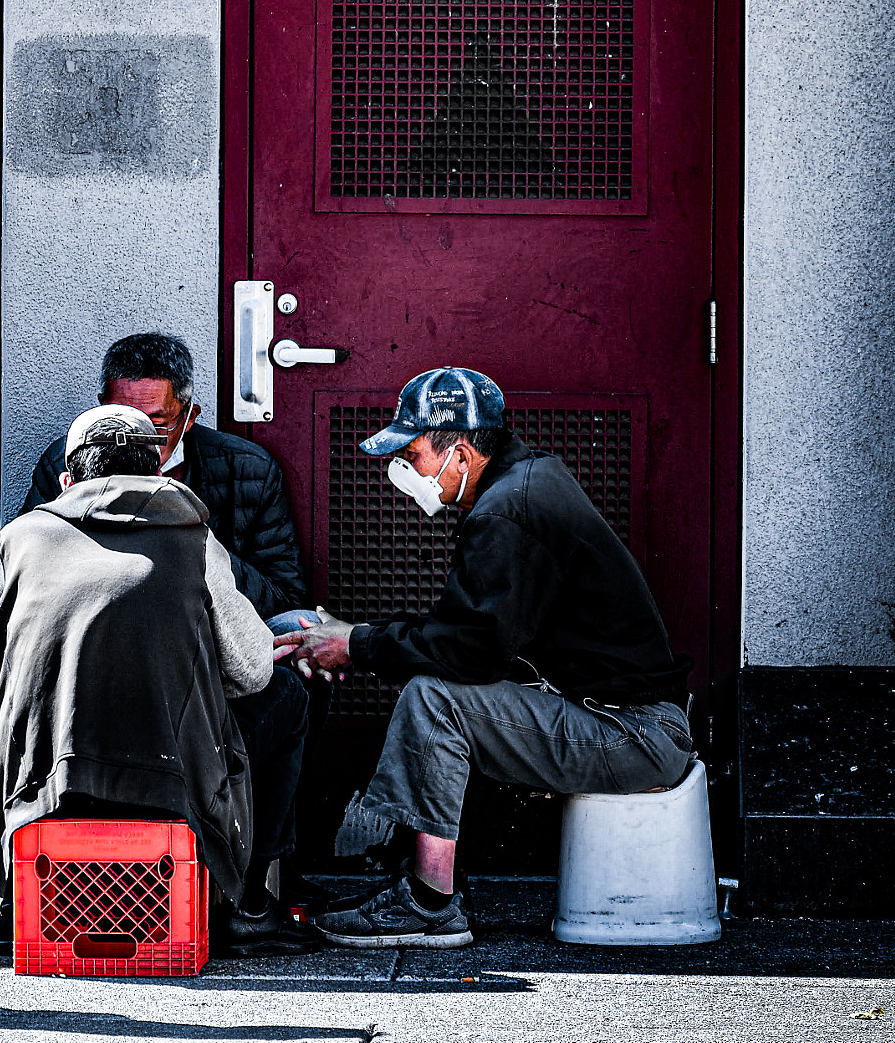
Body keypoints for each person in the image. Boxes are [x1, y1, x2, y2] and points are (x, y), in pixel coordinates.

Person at [274, 367, 694, 950]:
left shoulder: (505, 513)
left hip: (633, 735)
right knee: (433, 684)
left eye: (414, 454)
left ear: (462, 453)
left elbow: (471, 654)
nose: (405, 473)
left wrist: (356, 645)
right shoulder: (524, 483)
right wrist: (361, 637)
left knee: (434, 697)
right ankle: (424, 886)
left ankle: (429, 902)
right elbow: (468, 633)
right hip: (626, 720)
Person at [0, 406, 324, 959]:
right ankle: (247, 905)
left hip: (45, 787)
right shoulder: (195, 541)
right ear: (158, 477)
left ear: (67, 481)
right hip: (170, 789)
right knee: (288, 696)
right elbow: (250, 671)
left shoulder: (19, 539)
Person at [20, 333, 306, 618]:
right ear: (100, 411)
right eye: (122, 421)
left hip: (207, 632)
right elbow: (27, 572)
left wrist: (190, 546)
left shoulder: (249, 469)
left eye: (155, 425)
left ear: (189, 418)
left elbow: (284, 597)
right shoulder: (66, 460)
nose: (136, 440)